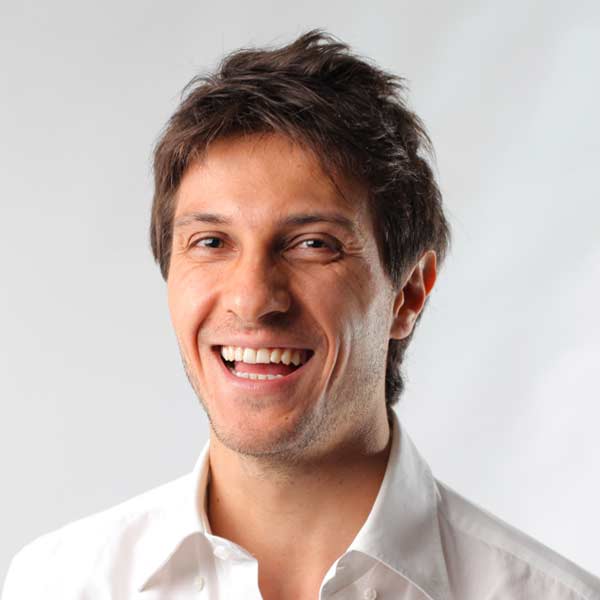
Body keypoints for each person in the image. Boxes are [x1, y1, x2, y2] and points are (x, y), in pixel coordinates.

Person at [3, 30, 599, 600]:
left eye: (313, 244)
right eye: (211, 242)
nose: (252, 299)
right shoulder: (56, 585)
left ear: (409, 294)